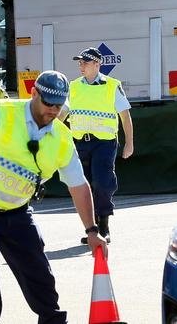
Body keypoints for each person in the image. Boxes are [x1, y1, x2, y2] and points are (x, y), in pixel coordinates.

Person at [0, 70, 107, 324]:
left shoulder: (61, 138)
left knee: (42, 284)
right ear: (33, 93)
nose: (53, 110)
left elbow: (78, 185)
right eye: (48, 103)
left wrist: (92, 229)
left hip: (18, 214)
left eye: (59, 105)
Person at [60, 47, 134, 244]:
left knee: (102, 182)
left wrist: (129, 144)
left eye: (85, 62)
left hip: (104, 143)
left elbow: (125, 116)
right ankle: (91, 229)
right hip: (81, 143)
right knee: (85, 186)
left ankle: (103, 226)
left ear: (96, 64)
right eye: (79, 63)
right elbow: (63, 113)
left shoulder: (112, 85)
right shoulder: (73, 86)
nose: (81, 66)